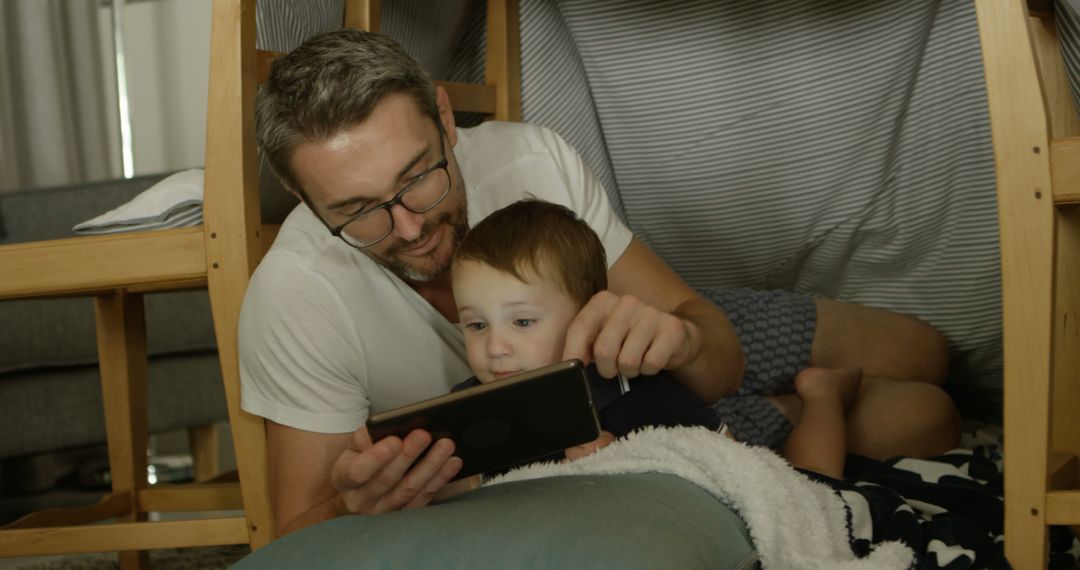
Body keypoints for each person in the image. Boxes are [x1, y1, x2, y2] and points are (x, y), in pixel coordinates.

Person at [240, 28, 960, 536]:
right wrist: (357, 508)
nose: (408, 228)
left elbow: (711, 346)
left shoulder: (531, 160)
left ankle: (783, 399)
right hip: (628, 431)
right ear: (308, 205)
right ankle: (793, 407)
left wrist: (680, 340)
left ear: (445, 117)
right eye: (359, 212)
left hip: (654, 348)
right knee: (927, 417)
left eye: (419, 178)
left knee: (925, 352)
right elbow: (291, 539)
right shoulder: (297, 295)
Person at [447, 199, 860, 483]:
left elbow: (743, 474)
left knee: (811, 486)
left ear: (589, 318)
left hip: (721, 454)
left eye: (521, 321)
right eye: (476, 326)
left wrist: (623, 469)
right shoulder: (467, 410)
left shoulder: (640, 394)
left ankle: (821, 394)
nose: (495, 348)